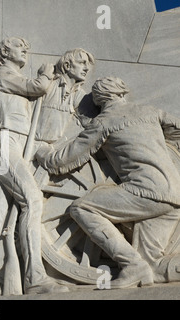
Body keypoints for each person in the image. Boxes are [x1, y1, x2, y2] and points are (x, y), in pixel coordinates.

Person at [36, 76, 180, 288]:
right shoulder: (151, 112)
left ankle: (130, 264)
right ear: (122, 92)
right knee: (153, 265)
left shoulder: (104, 122)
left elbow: (67, 159)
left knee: (81, 208)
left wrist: (44, 154)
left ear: (98, 100)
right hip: (174, 195)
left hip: (144, 192)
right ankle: (143, 268)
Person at [0, 37, 70, 296]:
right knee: (33, 200)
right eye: (20, 46)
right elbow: (36, 87)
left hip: (10, 143)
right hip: (5, 142)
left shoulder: (6, 76)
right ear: (4, 52)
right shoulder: (3, 75)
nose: (26, 49)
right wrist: (45, 74)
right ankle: (35, 278)